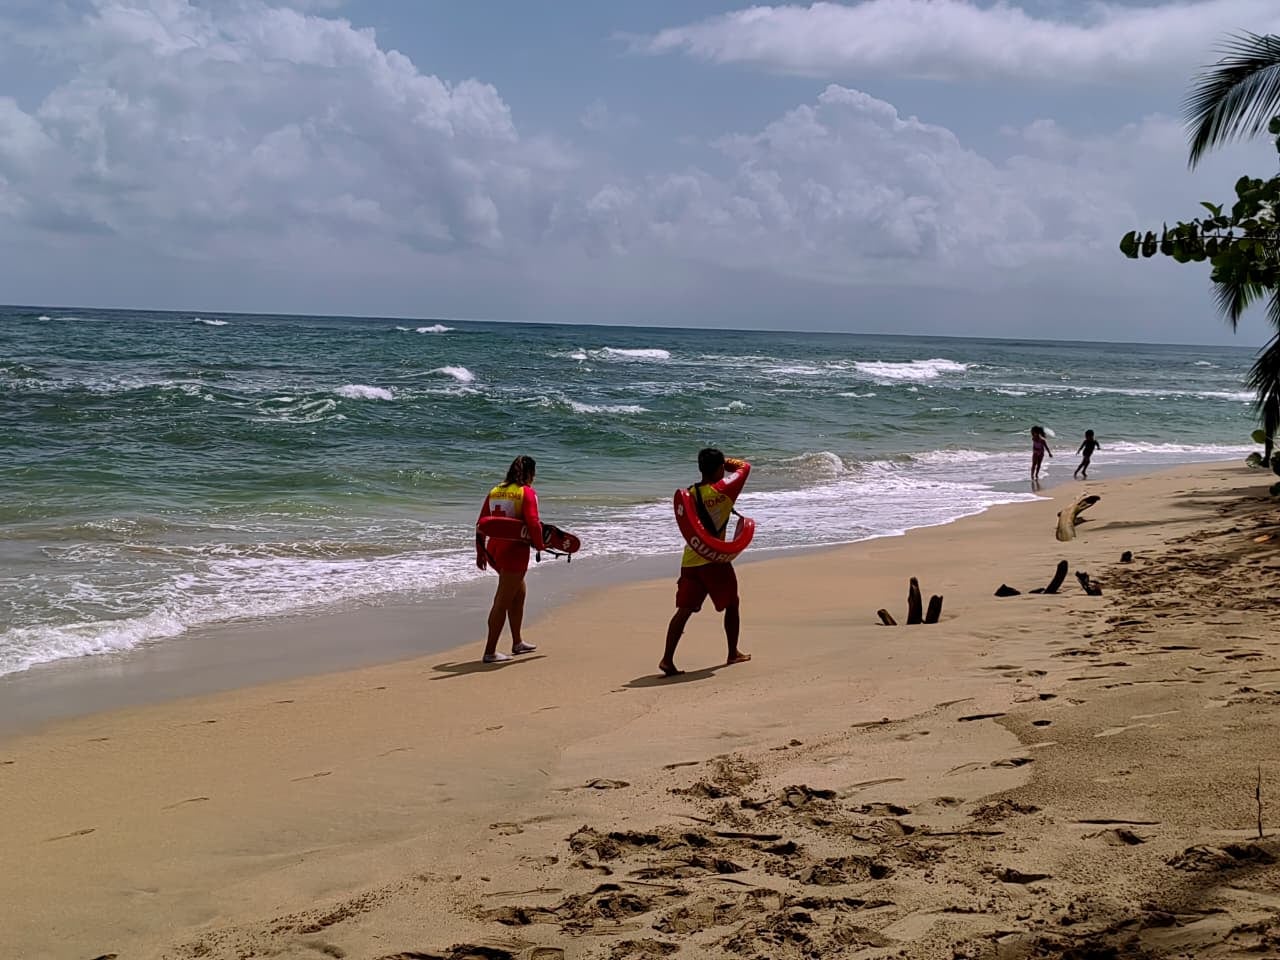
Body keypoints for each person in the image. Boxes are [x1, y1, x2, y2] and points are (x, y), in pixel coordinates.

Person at [660, 448, 753, 677]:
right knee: (732, 604)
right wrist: (726, 462)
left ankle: (667, 659)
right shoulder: (724, 490)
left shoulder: (690, 494)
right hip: (714, 560)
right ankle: (733, 653)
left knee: (683, 611)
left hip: (690, 560)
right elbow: (744, 467)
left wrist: (718, 464)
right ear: (720, 468)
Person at [475, 455, 545, 663]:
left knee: (518, 593)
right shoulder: (527, 492)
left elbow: (481, 523)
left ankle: (517, 642)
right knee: (502, 601)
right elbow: (533, 523)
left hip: (495, 548)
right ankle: (490, 652)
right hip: (514, 550)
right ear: (530, 474)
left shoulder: (496, 491)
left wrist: (480, 551)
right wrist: (540, 545)